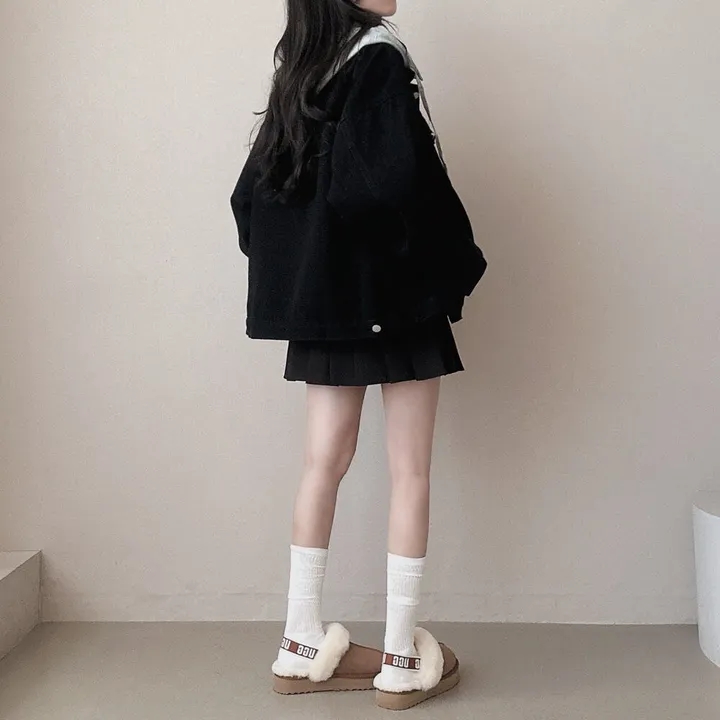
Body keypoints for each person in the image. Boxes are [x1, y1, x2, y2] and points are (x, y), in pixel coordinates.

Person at [231, 0, 487, 710]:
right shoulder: (377, 58)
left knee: (321, 465)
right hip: (395, 303)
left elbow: (249, 201)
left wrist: (309, 274)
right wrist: (451, 262)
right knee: (410, 471)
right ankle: (401, 656)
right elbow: (393, 185)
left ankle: (300, 642)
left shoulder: (302, 72)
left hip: (329, 309)